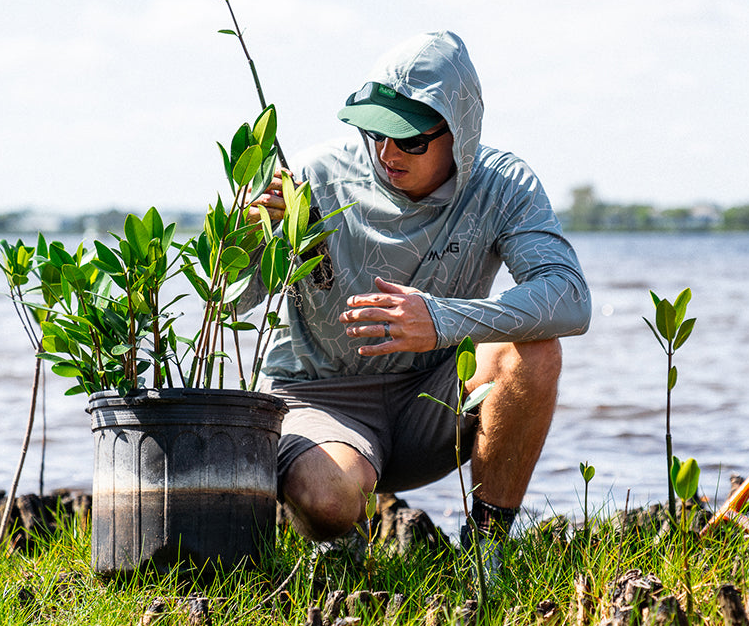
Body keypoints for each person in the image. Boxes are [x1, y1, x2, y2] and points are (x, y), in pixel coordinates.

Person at [246, 30, 591, 555]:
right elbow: (227, 306)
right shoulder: (310, 176)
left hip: (434, 396)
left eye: (410, 139)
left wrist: (441, 320)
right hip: (319, 398)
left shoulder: (504, 185)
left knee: (536, 350)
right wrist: (245, 239)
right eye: (376, 132)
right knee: (329, 499)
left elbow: (569, 297)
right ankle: (342, 537)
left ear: (460, 132)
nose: (387, 152)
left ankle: (486, 552)